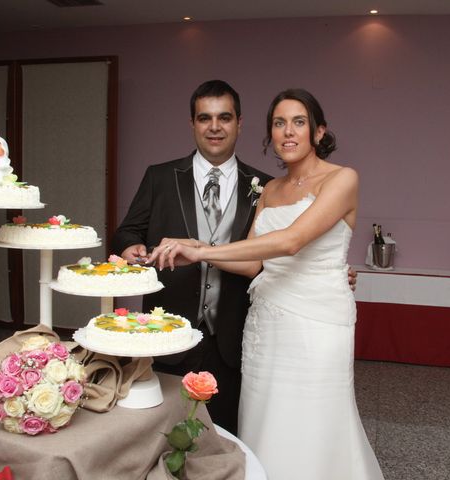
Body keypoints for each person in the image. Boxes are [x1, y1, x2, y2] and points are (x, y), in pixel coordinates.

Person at [150, 89, 384, 479]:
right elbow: (255, 262)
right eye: (278, 123)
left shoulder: (342, 179)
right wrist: (198, 244)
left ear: (319, 132)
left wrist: (203, 254)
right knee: (265, 416)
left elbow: (291, 241)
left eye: (298, 122)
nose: (287, 132)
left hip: (317, 321)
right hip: (265, 324)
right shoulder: (270, 190)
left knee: (314, 419)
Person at [111, 80, 273, 434]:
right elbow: (126, 231)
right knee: (163, 434)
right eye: (205, 118)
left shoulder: (265, 185)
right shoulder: (160, 177)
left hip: (232, 337)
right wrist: (130, 247)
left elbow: (278, 255)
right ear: (192, 124)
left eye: (224, 118)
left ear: (239, 123)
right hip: (169, 331)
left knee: (226, 436)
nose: (214, 127)